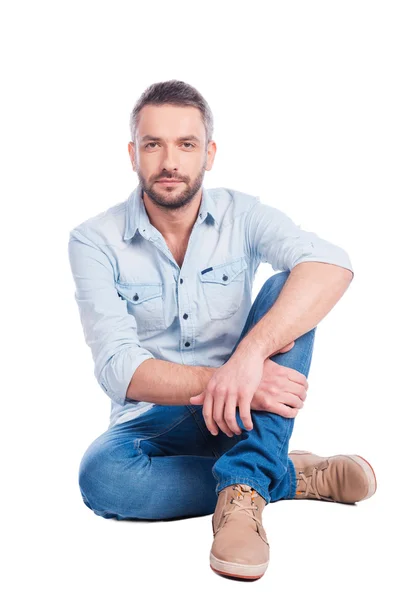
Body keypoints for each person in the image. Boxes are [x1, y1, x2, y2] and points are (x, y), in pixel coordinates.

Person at [68, 79, 377, 581]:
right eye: (154, 144)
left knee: (289, 288)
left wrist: (247, 362)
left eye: (186, 144)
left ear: (209, 153)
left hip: (241, 414)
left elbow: (332, 265)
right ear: (133, 154)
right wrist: (223, 381)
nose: (170, 161)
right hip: (154, 422)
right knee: (103, 478)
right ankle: (280, 475)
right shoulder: (93, 240)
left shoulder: (243, 215)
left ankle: (242, 493)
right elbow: (117, 368)